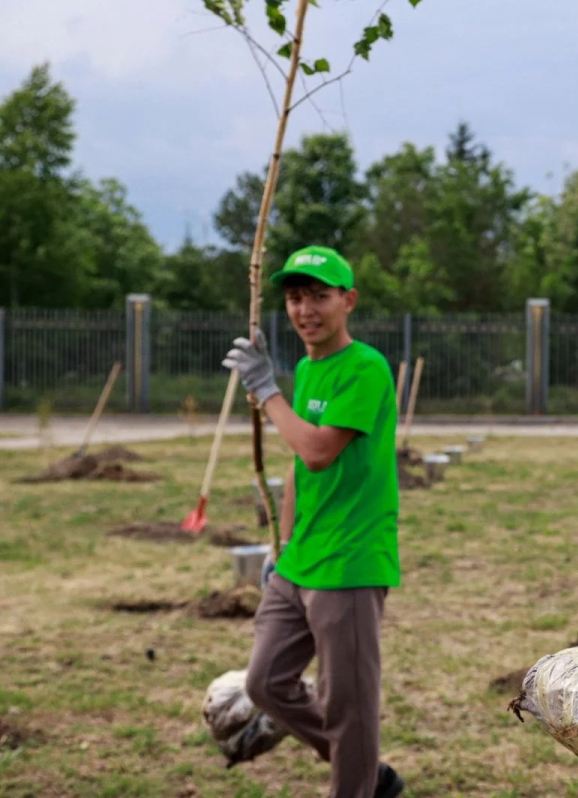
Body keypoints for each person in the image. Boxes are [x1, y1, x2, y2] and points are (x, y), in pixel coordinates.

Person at [222, 245, 404, 798]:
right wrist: (281, 544)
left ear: (348, 301)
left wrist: (265, 392)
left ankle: (357, 778)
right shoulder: (307, 368)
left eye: (319, 296)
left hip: (349, 563)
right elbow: (299, 466)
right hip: (302, 557)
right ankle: (365, 769)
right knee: (265, 682)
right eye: (296, 298)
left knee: (349, 705)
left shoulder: (365, 368)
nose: (306, 310)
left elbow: (320, 450)